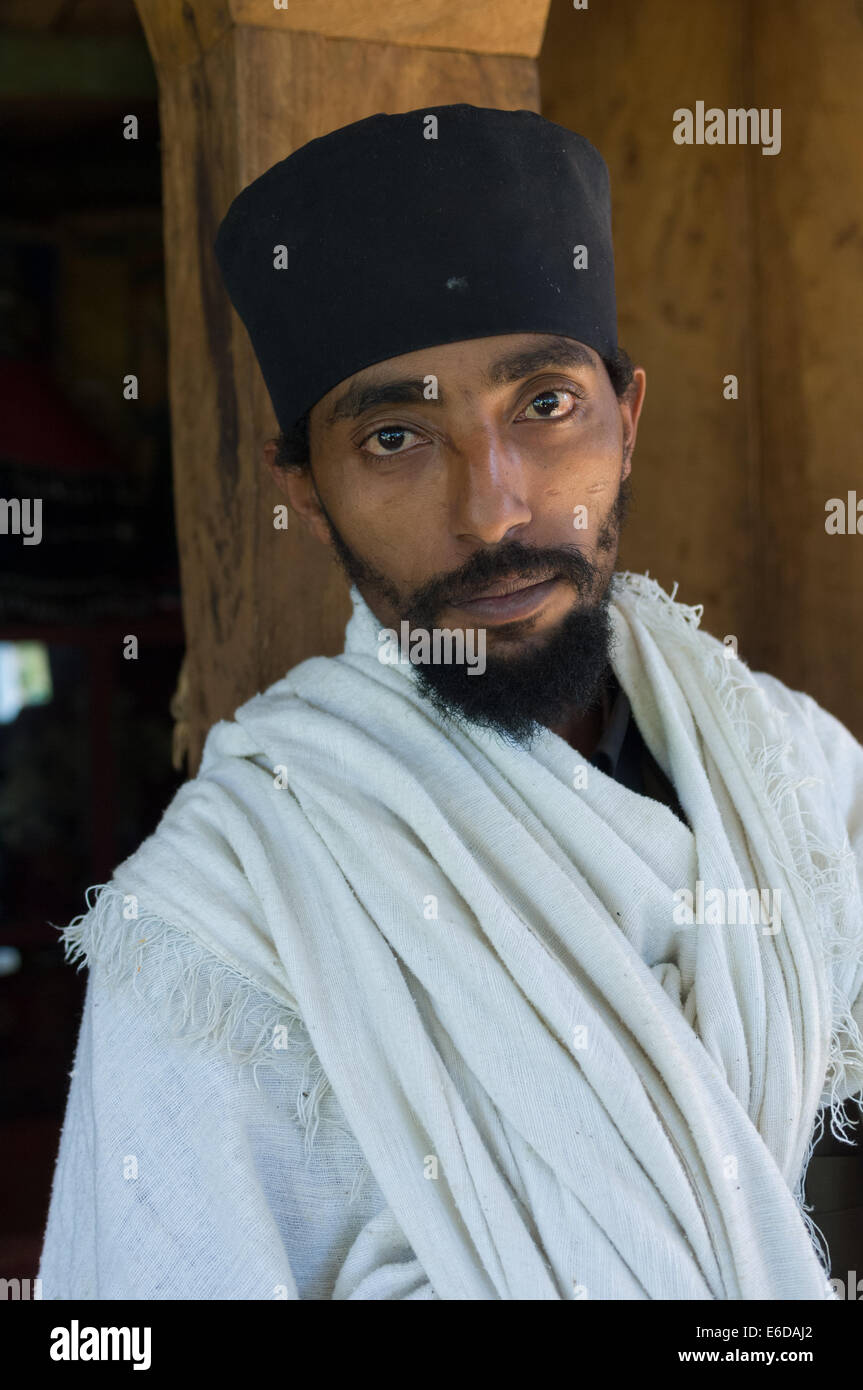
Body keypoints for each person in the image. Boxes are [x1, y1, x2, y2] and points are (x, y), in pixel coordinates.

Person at [39, 103, 863, 1300]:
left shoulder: (791, 778)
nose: (494, 511)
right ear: (307, 489)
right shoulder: (228, 914)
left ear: (624, 422)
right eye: (392, 436)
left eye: (543, 406)